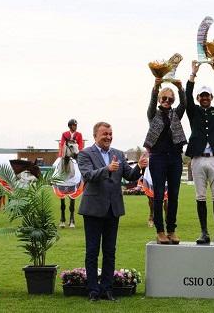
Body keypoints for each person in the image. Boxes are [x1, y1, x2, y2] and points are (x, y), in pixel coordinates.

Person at [78, 122, 148, 301]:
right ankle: (93, 290)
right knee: (92, 251)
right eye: (104, 134)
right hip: (93, 210)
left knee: (110, 251)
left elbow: (130, 176)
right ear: (95, 136)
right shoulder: (85, 154)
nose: (108, 137)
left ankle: (107, 289)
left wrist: (139, 167)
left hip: (113, 209)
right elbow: (88, 176)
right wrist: (106, 169)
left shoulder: (117, 154)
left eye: (110, 133)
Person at [185, 61, 214, 245]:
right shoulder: (193, 112)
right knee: (200, 196)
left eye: (207, 96)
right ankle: (204, 232)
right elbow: (186, 94)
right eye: (201, 96)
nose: (204, 98)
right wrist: (193, 74)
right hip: (198, 158)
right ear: (198, 98)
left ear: (211, 97)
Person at [143, 76, 187, 244]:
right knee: (159, 195)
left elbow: (184, 104)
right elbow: (151, 102)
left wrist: (180, 88)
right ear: (160, 100)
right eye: (164, 98)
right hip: (158, 158)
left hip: (175, 157)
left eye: (170, 99)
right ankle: (160, 230)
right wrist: (155, 87)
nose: (167, 101)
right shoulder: (153, 114)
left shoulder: (177, 114)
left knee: (174, 196)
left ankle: (172, 230)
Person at [58, 118, 84, 228]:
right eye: (74, 125)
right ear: (70, 126)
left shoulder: (79, 134)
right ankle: (54, 181)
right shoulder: (64, 134)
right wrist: (62, 154)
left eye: (76, 125)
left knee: (81, 168)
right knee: (56, 165)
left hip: (76, 154)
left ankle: (82, 182)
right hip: (65, 154)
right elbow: (62, 144)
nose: (75, 127)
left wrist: (78, 153)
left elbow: (81, 145)